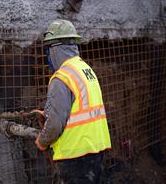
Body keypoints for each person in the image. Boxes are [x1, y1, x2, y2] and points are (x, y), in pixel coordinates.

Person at [33, 19, 111, 184]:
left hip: (75, 158)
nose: (47, 55)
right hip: (95, 152)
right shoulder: (85, 69)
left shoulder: (62, 77)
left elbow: (55, 124)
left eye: (48, 50)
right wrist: (48, 114)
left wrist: (42, 141)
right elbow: (78, 108)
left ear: (55, 49)